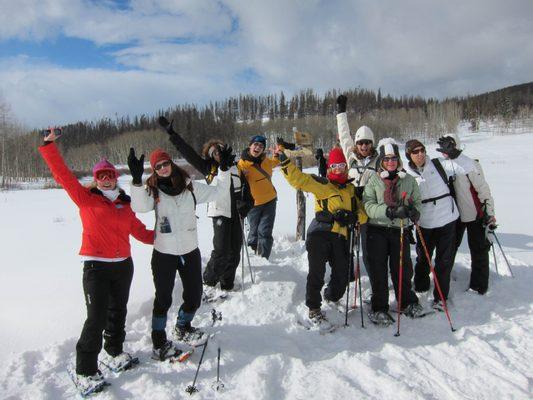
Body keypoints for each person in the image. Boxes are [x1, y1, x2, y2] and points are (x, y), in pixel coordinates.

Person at [39, 129, 154, 391]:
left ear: (115, 178)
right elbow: (63, 176)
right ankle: (85, 370)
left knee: (118, 312)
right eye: (101, 176)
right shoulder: (86, 199)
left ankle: (114, 351)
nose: (105, 180)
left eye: (110, 175)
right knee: (96, 318)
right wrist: (49, 146)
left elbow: (139, 231)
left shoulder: (125, 205)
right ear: (96, 180)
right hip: (96, 267)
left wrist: (164, 236)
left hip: (124, 266)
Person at [128, 146, 233, 360]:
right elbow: (139, 207)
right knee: (163, 299)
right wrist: (137, 180)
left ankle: (183, 326)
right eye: (158, 167)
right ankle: (159, 342)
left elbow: (219, 192)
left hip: (189, 251)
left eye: (166, 163)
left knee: (194, 296)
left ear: (171, 164)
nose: (164, 168)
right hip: (164, 254)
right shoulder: (152, 191)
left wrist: (223, 169)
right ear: (154, 170)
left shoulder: (190, 187)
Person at [157, 117, 252, 292]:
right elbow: (187, 152)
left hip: (237, 215)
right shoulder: (208, 168)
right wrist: (172, 134)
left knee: (234, 251)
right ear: (210, 155)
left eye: (220, 150)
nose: (218, 153)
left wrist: (246, 206)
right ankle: (208, 282)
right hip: (220, 213)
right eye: (214, 152)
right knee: (221, 252)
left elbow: (248, 193)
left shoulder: (236, 168)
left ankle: (227, 283)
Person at [277, 145, 367, 328]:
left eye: (342, 165)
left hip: (341, 238)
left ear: (346, 167)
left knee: (342, 275)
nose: (338, 169)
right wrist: (285, 162)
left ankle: (331, 296)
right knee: (316, 273)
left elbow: (363, 213)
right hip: (320, 235)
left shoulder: (350, 190)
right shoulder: (322, 184)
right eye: (335, 166)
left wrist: (354, 217)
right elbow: (299, 180)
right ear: (329, 169)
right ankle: (313, 308)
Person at [404, 139, 474, 309]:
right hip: (425, 222)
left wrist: (455, 155)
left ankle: (441, 297)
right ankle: (421, 286)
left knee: (444, 260)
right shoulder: (405, 173)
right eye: (415, 152)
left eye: (422, 150)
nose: (420, 154)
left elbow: (469, 168)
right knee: (423, 259)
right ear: (408, 155)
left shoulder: (439, 164)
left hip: (447, 220)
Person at [362, 138, 424, 325]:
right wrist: (388, 211)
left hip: (400, 229)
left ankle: (406, 302)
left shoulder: (408, 180)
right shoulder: (373, 180)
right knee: (378, 269)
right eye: (387, 159)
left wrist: (413, 211)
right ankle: (379, 307)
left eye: (394, 159)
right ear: (381, 160)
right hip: (376, 229)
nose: (391, 162)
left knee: (402, 268)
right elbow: (368, 206)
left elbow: (417, 201)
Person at [436, 134, 496, 295]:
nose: (445, 151)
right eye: (442, 148)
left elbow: (483, 190)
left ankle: (479, 285)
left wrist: (490, 213)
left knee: (478, 249)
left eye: (448, 146)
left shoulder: (470, 164)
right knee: (449, 249)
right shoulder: (444, 165)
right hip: (453, 215)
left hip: (474, 214)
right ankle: (443, 279)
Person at [336, 95, 379, 283]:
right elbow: (344, 134)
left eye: (367, 143)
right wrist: (341, 112)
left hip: (369, 211)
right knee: (347, 244)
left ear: (372, 144)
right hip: (351, 207)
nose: (363, 146)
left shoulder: (379, 161)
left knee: (369, 249)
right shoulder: (350, 157)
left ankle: (375, 279)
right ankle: (348, 274)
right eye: (360, 143)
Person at [238, 135, 280, 259]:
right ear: (250, 145)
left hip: (270, 201)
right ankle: (253, 256)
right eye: (255, 144)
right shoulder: (242, 165)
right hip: (253, 204)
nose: (258, 147)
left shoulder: (265, 161)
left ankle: (263, 258)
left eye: (261, 146)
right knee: (253, 232)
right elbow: (234, 181)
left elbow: (274, 162)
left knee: (265, 231)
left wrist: (276, 155)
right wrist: (241, 176)